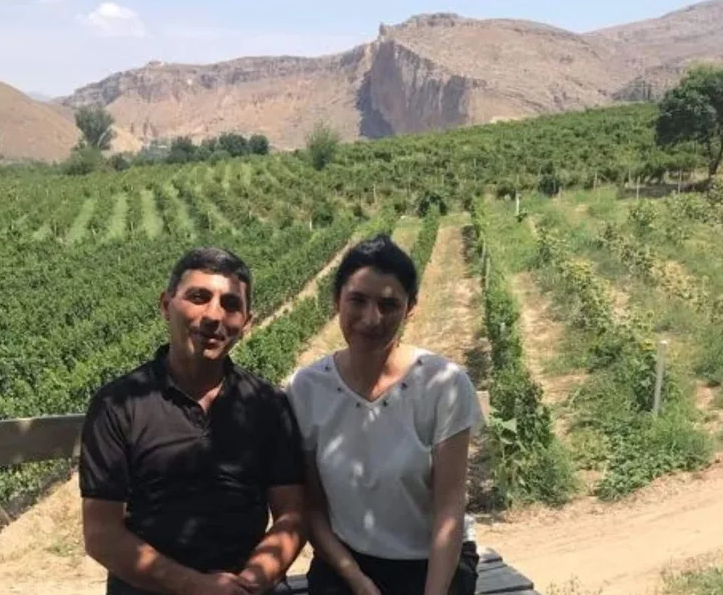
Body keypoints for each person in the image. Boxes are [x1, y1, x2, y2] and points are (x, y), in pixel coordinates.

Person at [79, 246, 307, 595]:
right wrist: (196, 587)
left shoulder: (266, 404)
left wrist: (251, 582)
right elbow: (101, 535)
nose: (214, 315)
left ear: (246, 322)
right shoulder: (119, 405)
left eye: (231, 304)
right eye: (198, 297)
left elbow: (292, 513)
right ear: (165, 304)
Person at [283, 234, 486, 595]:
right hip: (347, 562)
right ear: (336, 301)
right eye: (357, 301)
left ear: (411, 308)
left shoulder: (444, 386)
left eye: (389, 304)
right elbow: (313, 510)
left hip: (432, 562)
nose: (371, 318)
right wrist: (358, 581)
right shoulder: (307, 389)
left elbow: (449, 509)